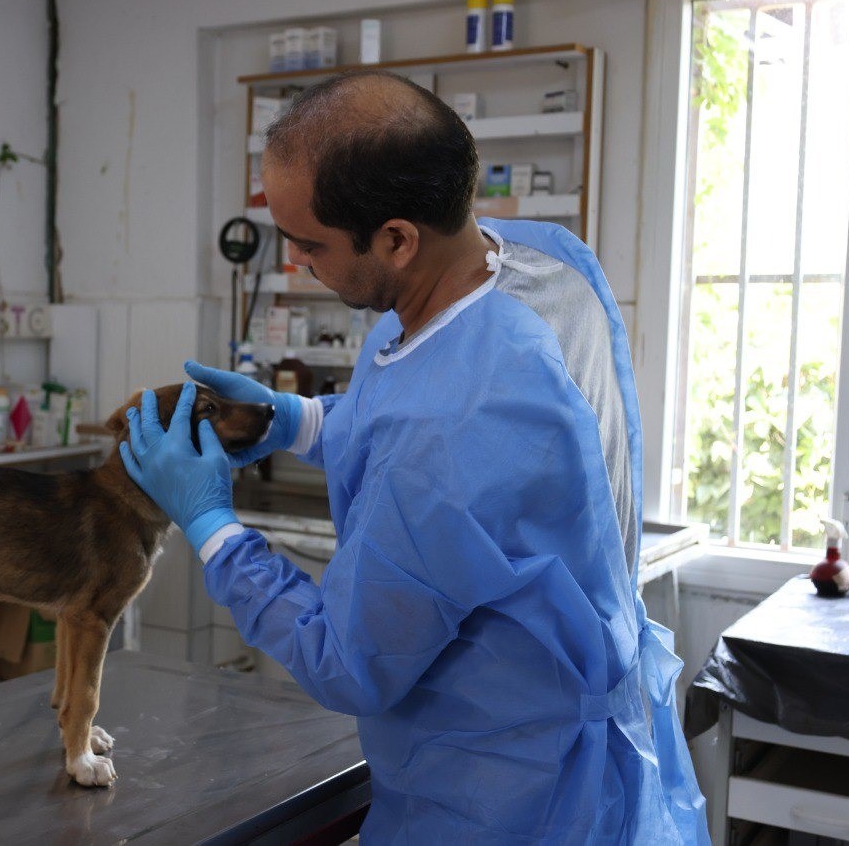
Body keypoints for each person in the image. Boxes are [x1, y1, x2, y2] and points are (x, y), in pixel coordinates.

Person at [121, 71, 708, 843]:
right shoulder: (541, 263)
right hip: (592, 756)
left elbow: (344, 659)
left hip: (501, 798)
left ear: (397, 238)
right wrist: (294, 419)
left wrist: (213, 528)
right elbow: (469, 436)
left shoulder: (443, 432)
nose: (296, 263)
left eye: (309, 244)